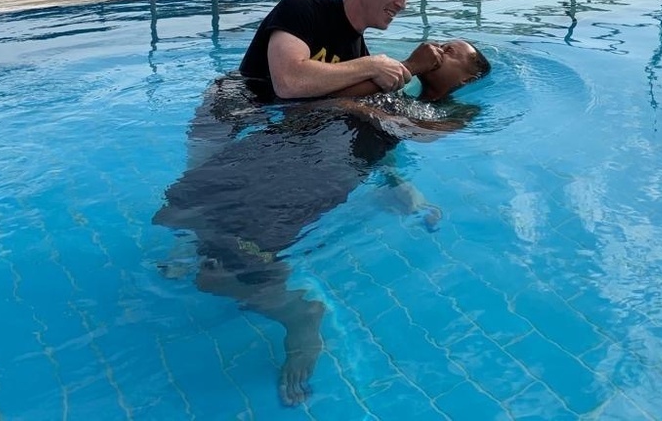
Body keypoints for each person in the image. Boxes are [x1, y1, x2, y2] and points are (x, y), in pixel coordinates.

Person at [154, 40, 491, 406]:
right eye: (442, 42)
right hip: (290, 142)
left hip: (334, 163)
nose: (439, 47)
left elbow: (417, 132)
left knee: (226, 268)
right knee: (194, 200)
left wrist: (383, 89)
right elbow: (323, 101)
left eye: (453, 52)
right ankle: (202, 246)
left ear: (466, 78)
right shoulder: (389, 81)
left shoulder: (459, 110)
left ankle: (300, 314)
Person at [238, 0, 428, 101]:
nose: (402, 4)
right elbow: (288, 82)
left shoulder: (358, 53)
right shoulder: (300, 9)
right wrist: (372, 66)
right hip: (233, 108)